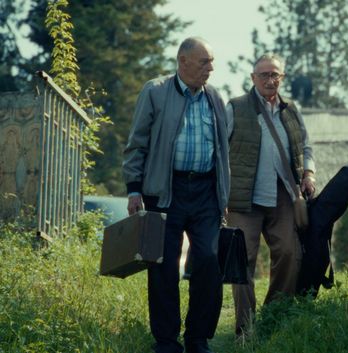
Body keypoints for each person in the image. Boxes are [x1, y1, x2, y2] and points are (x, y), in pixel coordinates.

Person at [122, 37, 230, 353]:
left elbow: (223, 152)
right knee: (164, 266)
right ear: (182, 61)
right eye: (204, 62)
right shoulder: (155, 91)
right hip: (165, 191)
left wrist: (223, 196)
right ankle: (167, 342)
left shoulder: (215, 97)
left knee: (209, 261)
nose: (211, 68)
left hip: (206, 192)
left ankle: (198, 338)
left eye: (211, 62)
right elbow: (137, 141)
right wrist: (134, 188)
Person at [225, 53, 316, 335]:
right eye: (263, 74)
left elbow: (306, 148)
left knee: (290, 253)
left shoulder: (291, 110)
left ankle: (273, 317)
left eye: (275, 74)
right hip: (243, 196)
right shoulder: (236, 107)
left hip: (282, 194)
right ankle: (245, 329)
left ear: (282, 78)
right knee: (242, 263)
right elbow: (219, 149)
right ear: (252, 78)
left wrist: (309, 173)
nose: (269, 79)